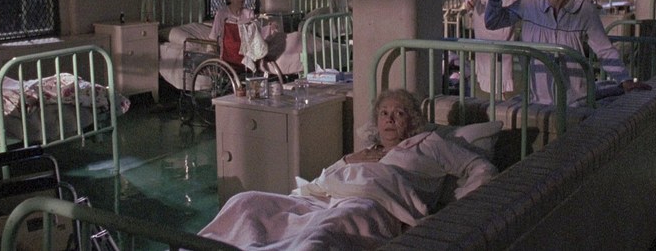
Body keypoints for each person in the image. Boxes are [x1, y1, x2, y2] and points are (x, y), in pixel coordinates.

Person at [196, 88, 497, 250]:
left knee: (322, 234)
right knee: (246, 201)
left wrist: (458, 206)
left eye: (399, 113)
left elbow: (479, 166)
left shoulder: (429, 144)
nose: (389, 119)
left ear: (413, 121)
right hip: (324, 197)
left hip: (374, 204)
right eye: (384, 113)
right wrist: (348, 161)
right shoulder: (366, 152)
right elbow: (321, 181)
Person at [485, 0, 650, 105]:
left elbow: (604, 50)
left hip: (576, 101)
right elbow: (492, 21)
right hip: (539, 100)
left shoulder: (584, 10)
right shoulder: (531, 2)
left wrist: (625, 80)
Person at [463, 0, 533, 95]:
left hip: (505, 26)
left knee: (504, 62)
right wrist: (470, 2)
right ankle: (486, 94)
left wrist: (531, 4)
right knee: (486, 60)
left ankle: (502, 94)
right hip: (485, 23)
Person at [208, 0, 279, 70]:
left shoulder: (248, 13)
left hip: (249, 51)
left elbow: (257, 34)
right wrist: (211, 53)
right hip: (230, 53)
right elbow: (213, 36)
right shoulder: (222, 14)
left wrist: (269, 28)